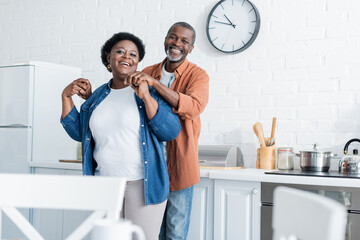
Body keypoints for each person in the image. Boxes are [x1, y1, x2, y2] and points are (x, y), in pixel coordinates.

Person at [60, 32, 181, 240]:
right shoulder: (97, 97)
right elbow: (79, 133)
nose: (127, 57)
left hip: (142, 184)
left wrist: (144, 94)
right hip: (105, 184)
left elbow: (170, 131)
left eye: (133, 54)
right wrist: (66, 96)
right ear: (109, 58)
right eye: (120, 52)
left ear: (137, 62)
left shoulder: (148, 92)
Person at [126, 22, 209, 239]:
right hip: (149, 167)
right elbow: (130, 110)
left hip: (180, 165)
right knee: (149, 232)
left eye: (184, 41)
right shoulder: (147, 71)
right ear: (165, 39)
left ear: (191, 48)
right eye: (173, 37)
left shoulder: (198, 75)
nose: (177, 44)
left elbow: (193, 107)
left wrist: (154, 84)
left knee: (175, 232)